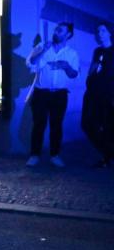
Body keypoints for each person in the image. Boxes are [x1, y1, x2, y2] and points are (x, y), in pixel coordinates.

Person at [26, 22, 80, 167]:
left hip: (60, 95)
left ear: (68, 35)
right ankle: (34, 155)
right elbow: (30, 63)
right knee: (39, 124)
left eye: (60, 31)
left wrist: (67, 66)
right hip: (41, 93)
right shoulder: (42, 46)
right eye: (56, 29)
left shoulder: (72, 53)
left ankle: (55, 155)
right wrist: (44, 50)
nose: (56, 32)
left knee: (56, 125)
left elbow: (74, 74)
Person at [81, 23, 114, 168]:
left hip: (109, 94)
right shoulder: (97, 51)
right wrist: (89, 80)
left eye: (103, 30)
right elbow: (93, 69)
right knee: (87, 124)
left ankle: (107, 158)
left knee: (108, 127)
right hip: (93, 93)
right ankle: (109, 152)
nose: (99, 33)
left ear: (110, 33)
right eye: (97, 30)